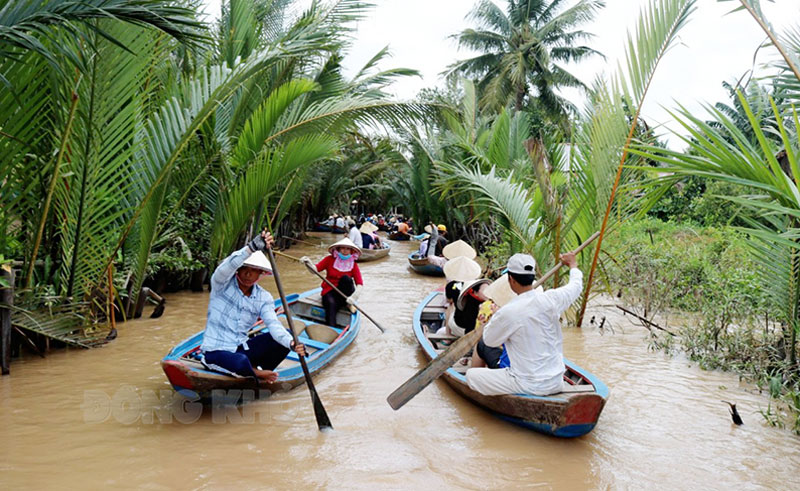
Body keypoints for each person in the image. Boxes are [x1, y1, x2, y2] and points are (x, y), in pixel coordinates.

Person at [465, 251, 582, 397]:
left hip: (526, 384)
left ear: (511, 279)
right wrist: (573, 264)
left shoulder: (507, 312)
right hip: (556, 383)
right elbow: (576, 286)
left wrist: (496, 319)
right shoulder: (552, 298)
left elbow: (489, 341)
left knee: (472, 375)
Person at [200, 230, 306, 384]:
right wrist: (251, 248)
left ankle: (258, 370)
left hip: (240, 347)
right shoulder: (221, 285)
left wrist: (292, 344)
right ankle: (255, 372)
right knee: (240, 362)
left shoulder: (264, 298)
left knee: (286, 337)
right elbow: (225, 268)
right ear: (238, 269)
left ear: (261, 274)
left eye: (254, 271)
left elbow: (273, 325)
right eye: (245, 269)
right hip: (215, 351)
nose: (248, 275)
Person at [302, 238, 363, 327]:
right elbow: (316, 270)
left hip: (345, 295)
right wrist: (308, 263)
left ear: (351, 251)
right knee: (330, 304)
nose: (345, 251)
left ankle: (348, 304)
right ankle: (331, 328)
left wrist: (354, 297)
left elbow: (360, 284)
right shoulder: (329, 259)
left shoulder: (353, 264)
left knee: (346, 279)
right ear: (338, 249)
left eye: (348, 249)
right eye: (342, 248)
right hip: (330, 291)